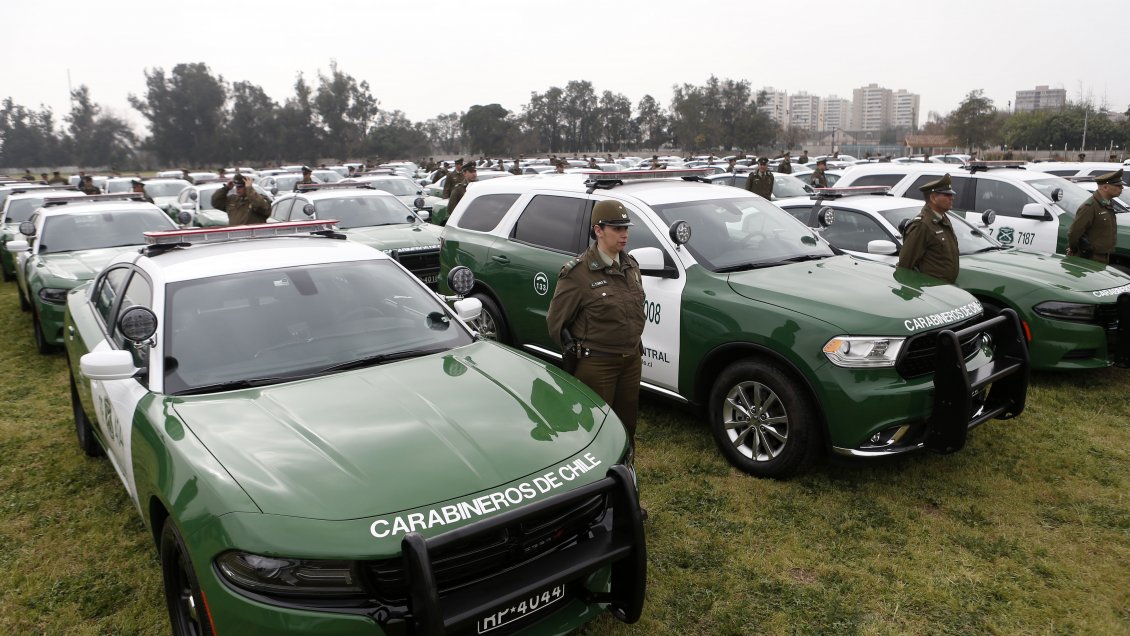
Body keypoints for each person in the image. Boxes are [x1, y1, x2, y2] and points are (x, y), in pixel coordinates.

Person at [546, 200, 646, 446]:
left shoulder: (631, 265)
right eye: (617, 228)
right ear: (598, 230)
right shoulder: (578, 273)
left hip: (631, 359)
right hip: (598, 363)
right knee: (597, 428)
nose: (624, 234)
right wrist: (575, 352)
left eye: (626, 228)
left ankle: (625, 464)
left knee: (627, 423)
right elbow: (556, 321)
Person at [897, 174, 959, 283]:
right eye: (947, 195)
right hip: (930, 288)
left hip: (946, 287)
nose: (952, 198)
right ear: (933, 198)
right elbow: (905, 264)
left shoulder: (943, 219)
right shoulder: (922, 225)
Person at [1067, 169, 1123, 264]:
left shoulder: (1107, 204)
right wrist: (1074, 249)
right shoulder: (1090, 206)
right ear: (1105, 187)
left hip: (1103, 256)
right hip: (1090, 258)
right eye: (1118, 185)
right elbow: (1074, 233)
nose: (1122, 188)